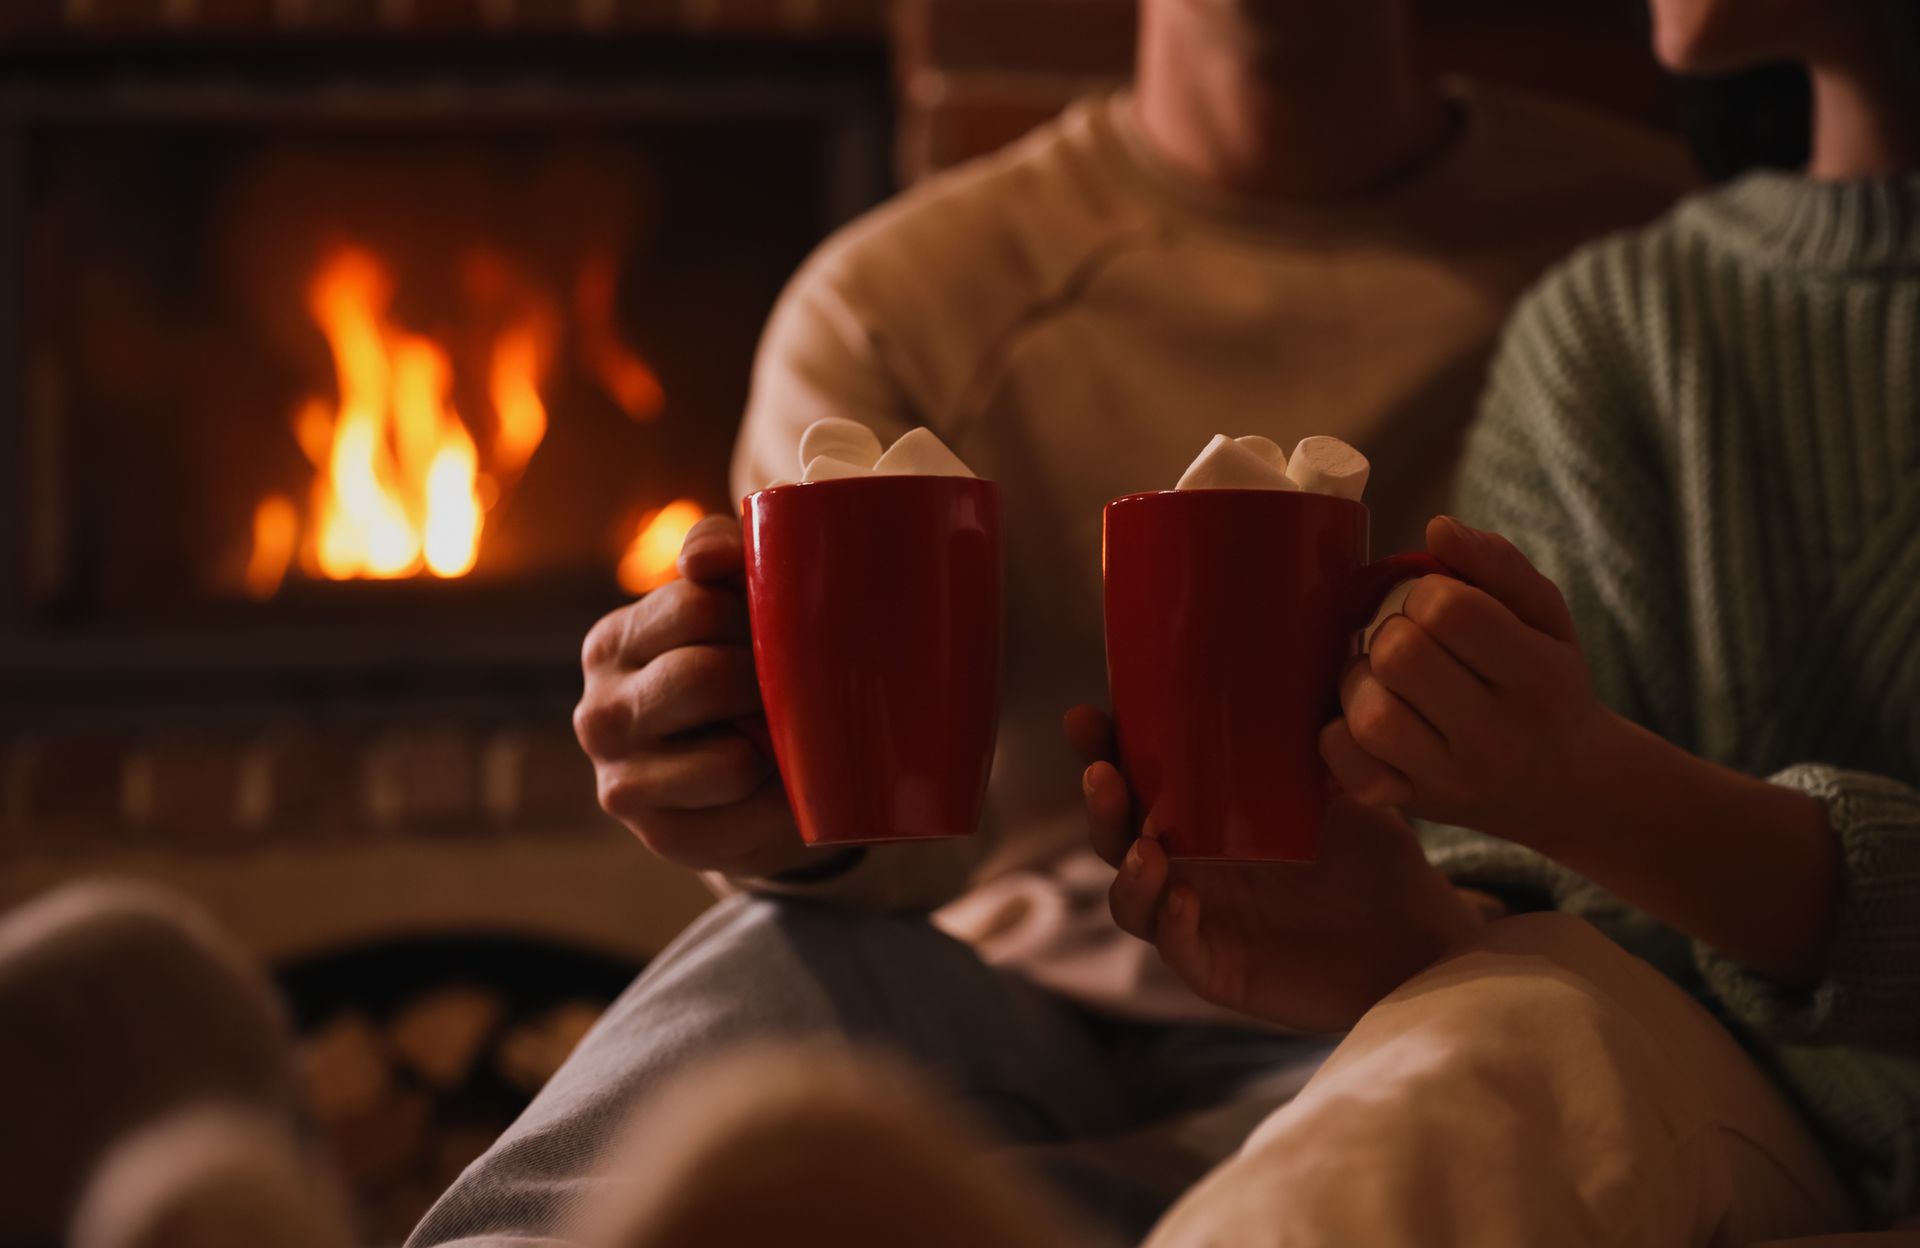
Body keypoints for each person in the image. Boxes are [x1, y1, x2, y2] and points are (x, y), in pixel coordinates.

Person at [411, 2, 1693, 1244]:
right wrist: (747, 781)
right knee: (741, 991)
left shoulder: (1644, 255)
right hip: (998, 983)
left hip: (1428, 986)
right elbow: (861, 844)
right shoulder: (898, 298)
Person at [1061, 0, 1920, 1239]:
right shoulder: (1627, 324)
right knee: (1498, 1036)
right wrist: (1422, 925)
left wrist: (1591, 784)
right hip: (1706, 1100)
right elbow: (1568, 950)